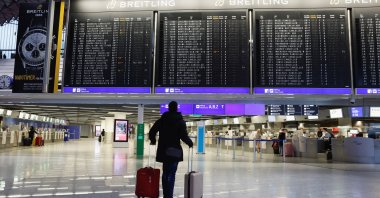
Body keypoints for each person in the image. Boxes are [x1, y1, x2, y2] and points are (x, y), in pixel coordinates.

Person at [149, 101, 193, 198]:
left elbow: (152, 131)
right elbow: (183, 136)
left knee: (165, 173)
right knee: (171, 174)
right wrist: (190, 143)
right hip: (174, 151)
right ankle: (169, 196)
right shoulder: (180, 121)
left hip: (163, 150)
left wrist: (153, 140)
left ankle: (166, 195)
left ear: (168, 108)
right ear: (177, 108)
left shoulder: (162, 120)